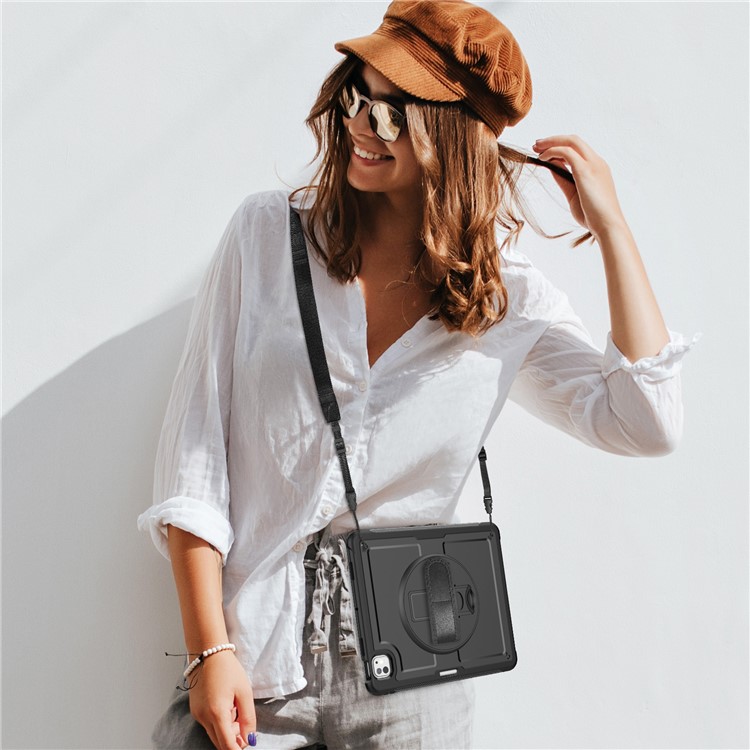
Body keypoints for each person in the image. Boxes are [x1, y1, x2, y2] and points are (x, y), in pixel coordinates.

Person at [138, 2, 695, 748]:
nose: (363, 126)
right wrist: (210, 650)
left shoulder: (505, 299)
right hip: (256, 650)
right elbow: (196, 462)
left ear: (453, 136)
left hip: (417, 660)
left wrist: (613, 230)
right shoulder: (267, 235)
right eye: (356, 98)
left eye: (393, 114)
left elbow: (646, 424)